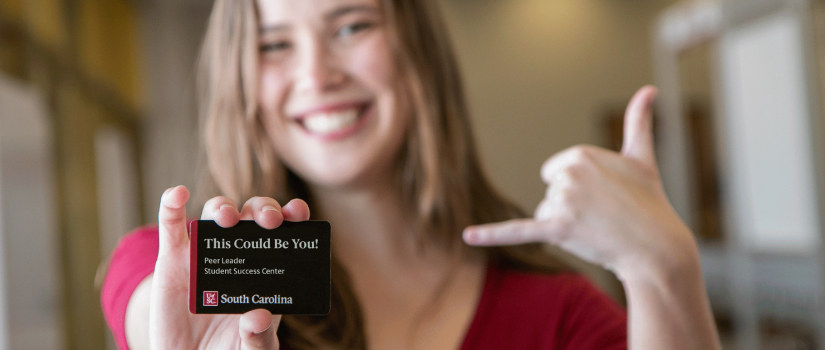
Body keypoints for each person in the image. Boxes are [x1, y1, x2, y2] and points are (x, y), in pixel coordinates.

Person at [100, 0, 721, 349]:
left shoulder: (556, 313)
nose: (317, 75)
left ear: (418, 53)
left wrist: (664, 270)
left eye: (351, 26)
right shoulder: (191, 266)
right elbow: (156, 299)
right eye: (274, 44)